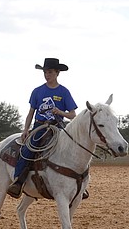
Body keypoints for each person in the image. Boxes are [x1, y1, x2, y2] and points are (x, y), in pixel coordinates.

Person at [7, 57, 78, 199]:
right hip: (39, 127)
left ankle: (78, 184)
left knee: (74, 150)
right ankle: (18, 182)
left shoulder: (64, 92)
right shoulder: (37, 91)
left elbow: (72, 115)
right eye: (45, 72)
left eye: (50, 72)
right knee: (27, 150)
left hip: (57, 128)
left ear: (57, 73)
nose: (47, 75)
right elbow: (31, 113)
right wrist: (26, 129)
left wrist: (60, 112)